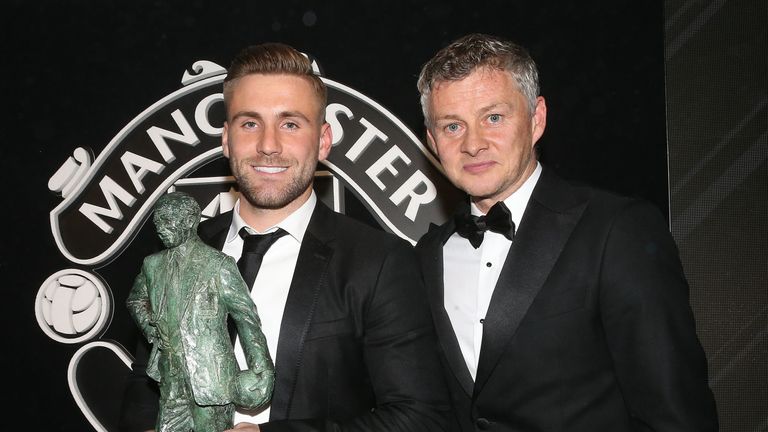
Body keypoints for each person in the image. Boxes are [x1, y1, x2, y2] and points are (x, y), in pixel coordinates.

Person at [121, 42, 449, 432]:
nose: (268, 145)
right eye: (249, 123)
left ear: (323, 140)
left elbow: (419, 417)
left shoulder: (378, 262)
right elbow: (145, 396)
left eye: (290, 124)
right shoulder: (178, 249)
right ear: (226, 138)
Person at [414, 33, 718, 431]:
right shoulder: (426, 255)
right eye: (452, 126)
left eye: (493, 118)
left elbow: (676, 415)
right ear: (432, 141)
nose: (473, 143)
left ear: (536, 119)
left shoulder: (616, 230)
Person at [126, 191, 274, 432]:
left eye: (167, 221)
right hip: (169, 377)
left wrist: (262, 369)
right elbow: (135, 300)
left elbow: (246, 318)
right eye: (157, 223)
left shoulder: (218, 264)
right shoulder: (152, 264)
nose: (160, 228)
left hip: (211, 380)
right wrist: (150, 328)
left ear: (190, 221)